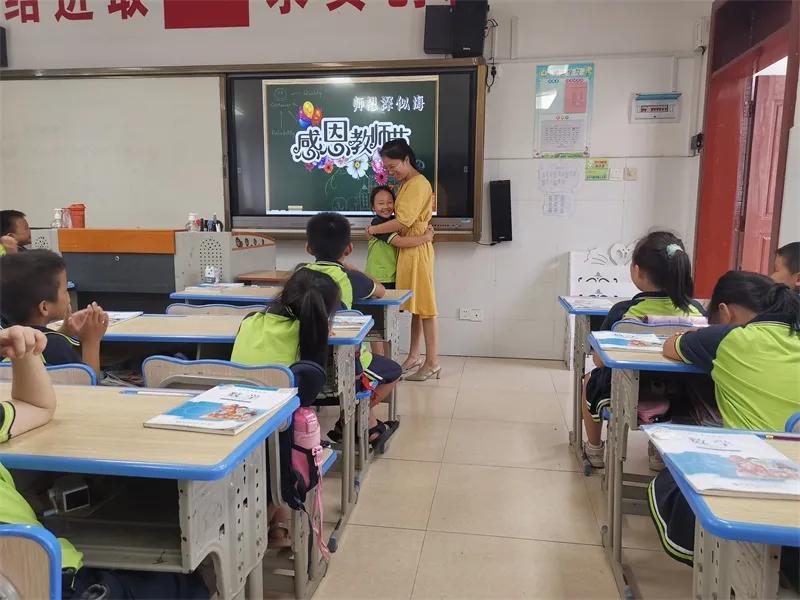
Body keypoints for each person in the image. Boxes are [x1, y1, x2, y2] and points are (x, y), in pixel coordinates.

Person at [0, 325, 210, 599]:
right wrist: (24, 353)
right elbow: (39, 407)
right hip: (46, 581)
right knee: (185, 584)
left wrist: (23, 353)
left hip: (33, 575)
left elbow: (38, 407)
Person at [650, 271, 800, 583]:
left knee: (671, 483)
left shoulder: (727, 337)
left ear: (726, 312)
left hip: (757, 498)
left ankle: (728, 576)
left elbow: (671, 346)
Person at [232, 267, 341, 550]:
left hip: (235, 431)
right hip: (276, 450)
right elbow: (305, 398)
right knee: (290, 426)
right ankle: (269, 526)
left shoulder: (250, 321)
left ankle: (277, 522)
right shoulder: (308, 339)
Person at [582, 231, 706, 468]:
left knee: (589, 379)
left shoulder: (623, 312)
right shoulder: (697, 310)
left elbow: (600, 360)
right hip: (684, 395)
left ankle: (595, 450)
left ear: (637, 271)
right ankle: (660, 452)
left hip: (628, 394)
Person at [305, 212, 402, 450]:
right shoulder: (348, 278)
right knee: (394, 370)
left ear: (308, 248)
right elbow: (380, 290)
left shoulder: (299, 275)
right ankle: (361, 420)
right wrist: (353, 268)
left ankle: (353, 424)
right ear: (348, 248)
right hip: (344, 370)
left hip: (303, 369)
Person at [368, 139, 440, 381]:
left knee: (426, 308)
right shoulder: (406, 184)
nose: (390, 172)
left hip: (416, 249)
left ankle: (432, 362)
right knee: (416, 306)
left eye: (393, 166)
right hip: (409, 250)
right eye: (386, 168)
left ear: (407, 159)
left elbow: (403, 222)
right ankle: (414, 356)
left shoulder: (418, 184)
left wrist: (374, 230)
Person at [0, 250, 108, 378]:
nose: (68, 295)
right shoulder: (58, 348)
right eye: (65, 290)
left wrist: (64, 332)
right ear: (44, 307)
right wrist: (91, 342)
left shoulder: (5, 341)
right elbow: (89, 389)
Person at [366, 185, 434, 356]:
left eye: (390, 202)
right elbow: (401, 243)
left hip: (391, 279)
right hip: (378, 280)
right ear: (373, 207)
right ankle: (379, 363)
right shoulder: (378, 224)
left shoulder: (394, 224)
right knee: (377, 326)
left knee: (389, 325)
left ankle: (388, 363)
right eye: (380, 203)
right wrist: (426, 238)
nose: (386, 206)